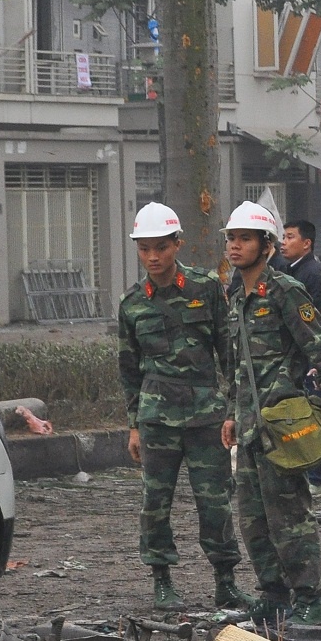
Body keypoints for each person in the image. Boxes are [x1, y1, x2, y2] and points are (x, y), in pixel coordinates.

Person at [219, 201, 321, 637]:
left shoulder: (285, 290)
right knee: (252, 519)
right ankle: (274, 595)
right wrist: (232, 413)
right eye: (231, 239)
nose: (235, 247)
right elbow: (238, 363)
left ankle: (309, 602)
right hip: (249, 424)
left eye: (245, 239)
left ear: (267, 245)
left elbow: (319, 345)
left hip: (282, 422)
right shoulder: (236, 294)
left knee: (289, 516)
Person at [117, 202, 249, 612]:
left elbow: (228, 354)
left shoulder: (206, 288)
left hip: (206, 417)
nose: (153, 257)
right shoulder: (132, 302)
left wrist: (233, 410)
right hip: (157, 421)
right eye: (144, 249)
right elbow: (129, 370)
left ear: (178, 244)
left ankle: (225, 581)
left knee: (215, 501)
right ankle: (161, 580)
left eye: (160, 247)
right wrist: (134, 425)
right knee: (155, 502)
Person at [277, 219, 321, 304]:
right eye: (284, 237)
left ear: (306, 244)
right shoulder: (288, 268)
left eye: (290, 237)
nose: (283, 242)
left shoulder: (314, 273)